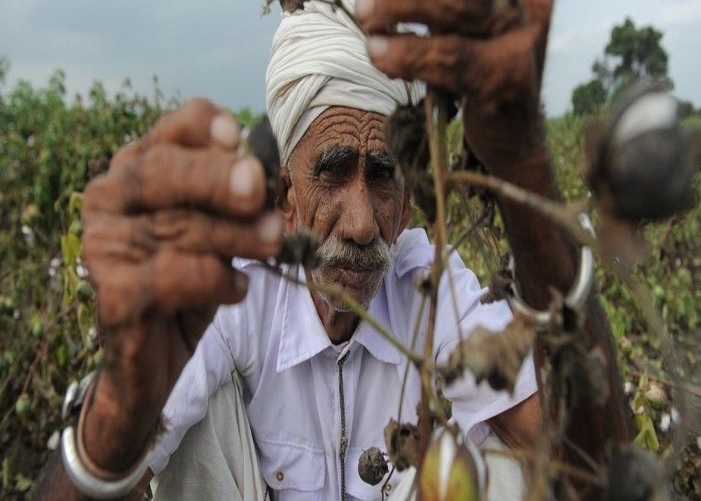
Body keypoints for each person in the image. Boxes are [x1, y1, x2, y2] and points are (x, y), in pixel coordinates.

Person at [38, 0, 629, 499]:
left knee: (502, 462)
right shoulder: (234, 293)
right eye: (334, 171)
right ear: (284, 195)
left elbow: (590, 469)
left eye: (382, 175)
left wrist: (523, 169)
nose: (362, 223)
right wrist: (118, 406)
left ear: (409, 199)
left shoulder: (426, 288)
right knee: (188, 412)